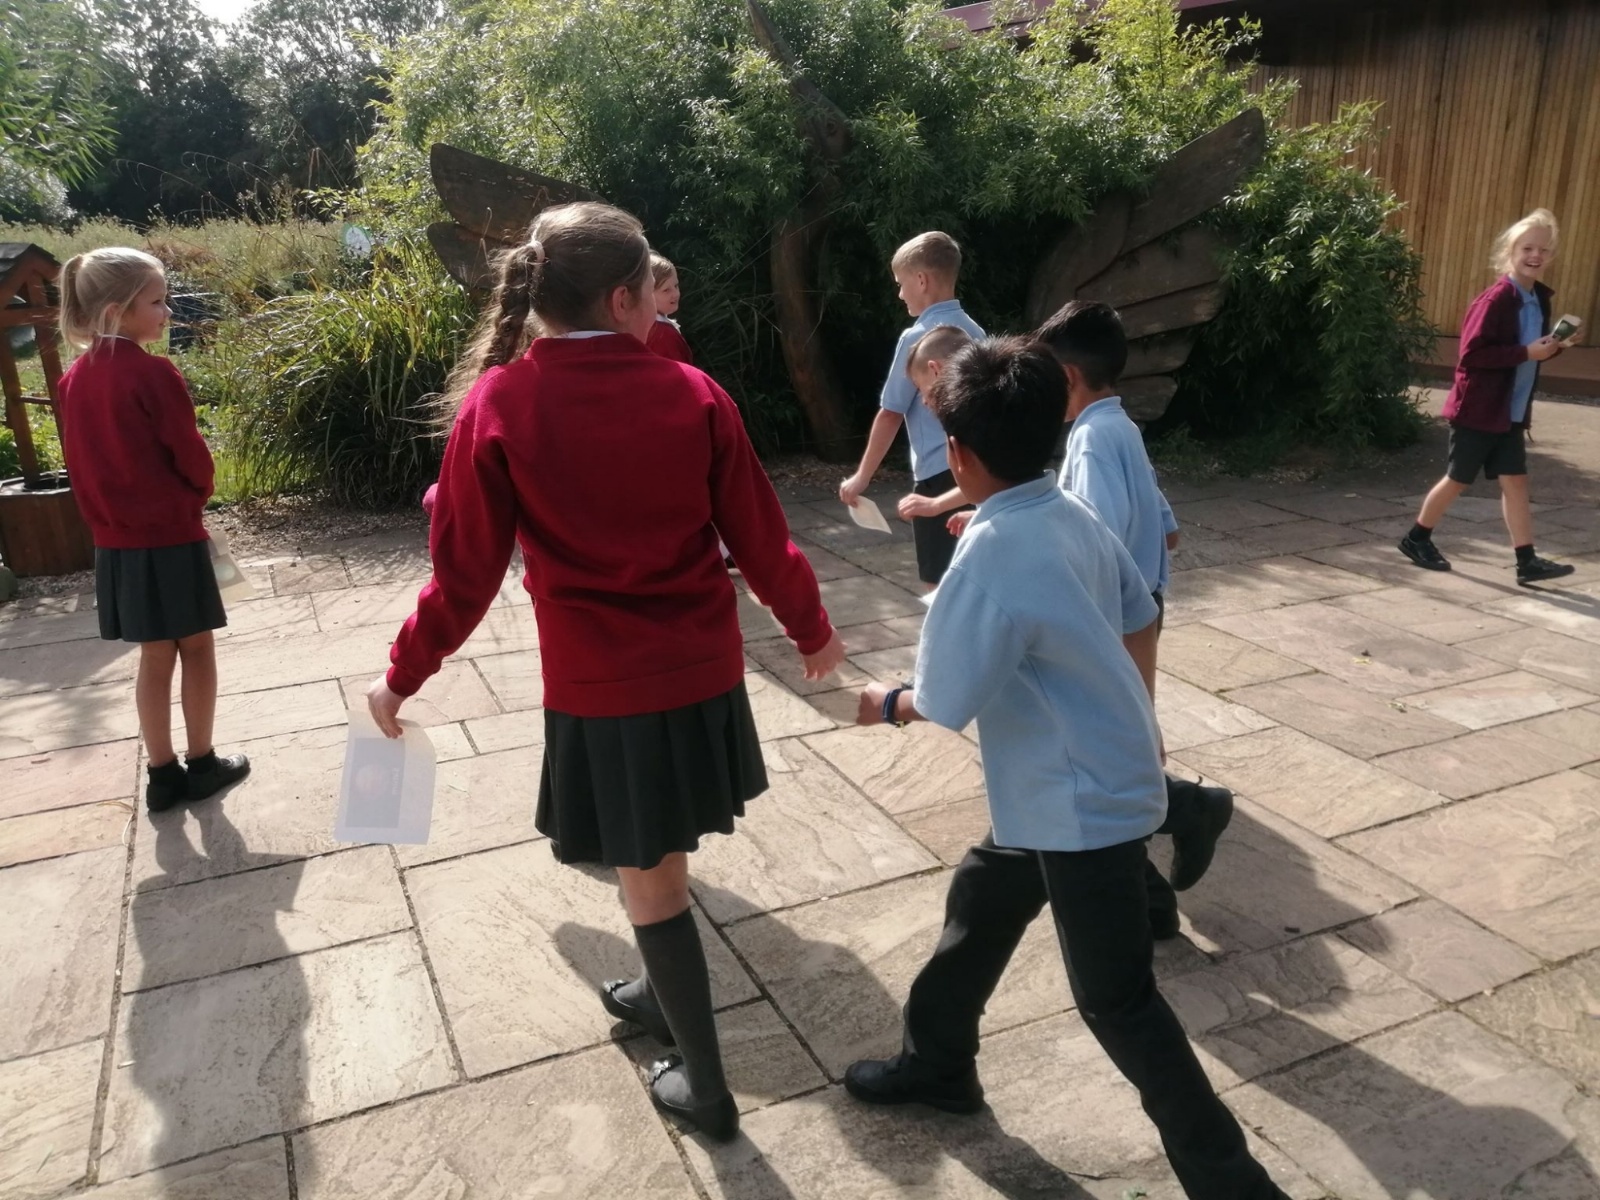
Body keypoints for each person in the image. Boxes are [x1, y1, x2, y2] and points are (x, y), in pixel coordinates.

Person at [364, 203, 845, 1142]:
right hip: (700, 675)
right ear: (626, 298)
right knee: (656, 855)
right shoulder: (694, 392)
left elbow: (461, 580)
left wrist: (400, 677)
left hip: (604, 691)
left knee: (652, 876)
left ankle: (707, 1090)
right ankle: (663, 995)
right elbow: (761, 536)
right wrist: (812, 630)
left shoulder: (499, 405)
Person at [845, 336, 1288, 1200]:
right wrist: (1136, 711)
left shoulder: (989, 554)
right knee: (982, 896)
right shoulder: (1063, 512)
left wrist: (885, 700)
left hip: (1078, 807)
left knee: (1118, 1002)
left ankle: (1236, 1186)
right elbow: (1139, 610)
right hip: (1064, 785)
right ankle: (938, 1062)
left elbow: (945, 696)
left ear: (958, 455)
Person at [1035, 300, 1233, 935]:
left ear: (1068, 376)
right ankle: (1157, 877)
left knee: (1106, 748)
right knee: (1123, 738)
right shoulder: (1121, 426)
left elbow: (1095, 540)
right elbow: (1165, 526)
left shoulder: (1091, 439)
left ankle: (1188, 815)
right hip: (1139, 607)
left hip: (1114, 617)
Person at [55, 247, 251, 813]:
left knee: (154, 655)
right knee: (198, 648)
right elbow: (192, 457)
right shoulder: (152, 373)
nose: (167, 313)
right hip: (170, 536)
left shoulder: (72, 381)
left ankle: (161, 776)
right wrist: (196, 496)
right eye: (157, 302)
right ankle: (203, 763)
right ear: (116, 311)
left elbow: (81, 463)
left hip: (117, 544)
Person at [1398, 208, 1573, 584]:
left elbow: (1528, 352)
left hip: (1510, 412)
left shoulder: (1537, 298)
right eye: (1527, 248)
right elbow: (1472, 356)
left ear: (1551, 256)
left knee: (1516, 481)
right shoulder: (1494, 300)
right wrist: (1526, 352)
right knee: (1458, 478)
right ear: (1510, 251)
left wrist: (1554, 347)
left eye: (1543, 249)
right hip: (1478, 409)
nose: (1536, 255)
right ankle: (1416, 538)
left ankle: (1526, 561)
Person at [839, 232, 985, 587]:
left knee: (938, 583)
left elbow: (891, 413)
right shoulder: (977, 333)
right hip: (976, 470)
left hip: (937, 473)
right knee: (973, 575)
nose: (900, 294)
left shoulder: (916, 338)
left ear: (921, 280)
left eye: (901, 284)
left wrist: (861, 477)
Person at [893, 325, 975, 528]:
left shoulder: (970, 417)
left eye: (920, 387)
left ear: (935, 370)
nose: (924, 400)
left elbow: (989, 481)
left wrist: (936, 504)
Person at [645, 252, 693, 364]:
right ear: (647, 294)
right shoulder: (663, 335)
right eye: (666, 290)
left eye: (676, 286)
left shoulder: (640, 326)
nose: (675, 294)